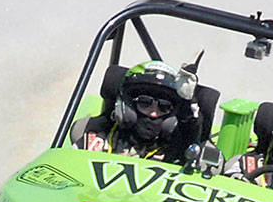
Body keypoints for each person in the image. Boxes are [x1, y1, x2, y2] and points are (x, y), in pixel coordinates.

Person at [70, 61, 200, 162]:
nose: (153, 113)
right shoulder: (95, 140)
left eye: (164, 107)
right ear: (128, 105)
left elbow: (190, 136)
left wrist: (189, 109)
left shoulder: (175, 151)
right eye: (145, 102)